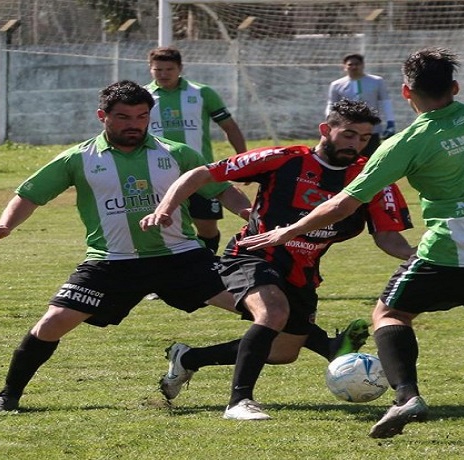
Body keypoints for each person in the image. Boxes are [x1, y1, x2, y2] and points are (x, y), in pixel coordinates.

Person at [239, 48, 464, 438]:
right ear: (456, 86)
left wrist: (287, 231)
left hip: (459, 248)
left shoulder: (406, 143)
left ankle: (406, 397)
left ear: (407, 93)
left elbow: (345, 203)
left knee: (390, 315)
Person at [0, 80, 252, 413]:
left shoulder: (177, 153)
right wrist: (5, 225)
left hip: (182, 258)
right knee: (51, 324)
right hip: (112, 261)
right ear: (102, 116)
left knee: (266, 314)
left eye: (141, 116)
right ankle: (8, 395)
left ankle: (318, 349)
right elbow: (30, 195)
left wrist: (246, 212)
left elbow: (220, 189)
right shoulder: (78, 158)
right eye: (123, 117)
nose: (134, 124)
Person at [139, 100, 415, 420]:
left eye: (364, 138)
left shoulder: (370, 178)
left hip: (303, 270)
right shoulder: (282, 159)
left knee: (283, 352)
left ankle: (188, 359)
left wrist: (418, 256)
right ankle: (239, 402)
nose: (356, 145)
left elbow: (387, 237)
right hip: (254, 253)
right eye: (349, 135)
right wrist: (165, 208)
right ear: (326, 130)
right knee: (273, 312)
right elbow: (202, 174)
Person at [145, 46, 248, 254]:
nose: (163, 74)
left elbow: (229, 126)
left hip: (201, 171)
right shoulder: (143, 97)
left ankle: (207, 261)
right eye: (158, 70)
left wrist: (242, 159)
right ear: (150, 69)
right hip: (160, 172)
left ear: (180, 68)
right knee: (163, 224)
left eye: (169, 69)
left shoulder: (201, 93)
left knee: (207, 228)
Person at [326, 53, 396, 157]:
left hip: (371, 129)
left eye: (357, 64)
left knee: (370, 158)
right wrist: (330, 122)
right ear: (344, 66)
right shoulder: (336, 85)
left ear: (363, 65)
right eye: (350, 64)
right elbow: (332, 105)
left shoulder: (376, 81)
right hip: (347, 129)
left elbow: (385, 101)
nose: (354, 67)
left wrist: (390, 122)